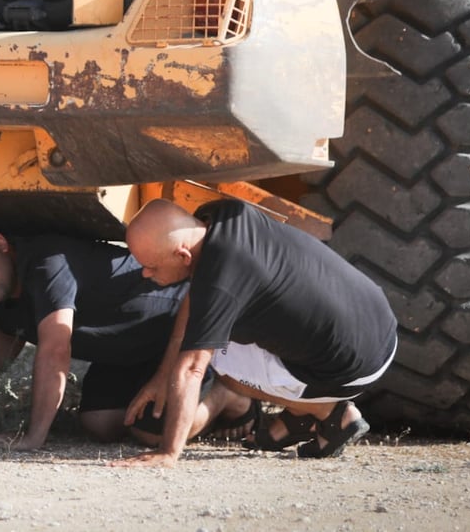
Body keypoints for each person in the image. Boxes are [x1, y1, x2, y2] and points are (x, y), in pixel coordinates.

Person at [112, 198, 398, 467]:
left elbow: (191, 370)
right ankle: (297, 416)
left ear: (183, 254)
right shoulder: (219, 214)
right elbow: (197, 296)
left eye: (151, 266)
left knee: (218, 363)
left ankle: (330, 414)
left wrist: (168, 452)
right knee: (210, 333)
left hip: (354, 367)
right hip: (379, 322)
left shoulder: (221, 280)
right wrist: (163, 375)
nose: (144, 275)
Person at [0, 221, 258, 451]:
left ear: (0, 244)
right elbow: (3, 344)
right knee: (99, 424)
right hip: (130, 353)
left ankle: (227, 395)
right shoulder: (2, 293)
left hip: (179, 331)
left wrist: (33, 437)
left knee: (152, 435)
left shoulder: (46, 262)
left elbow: (55, 349)